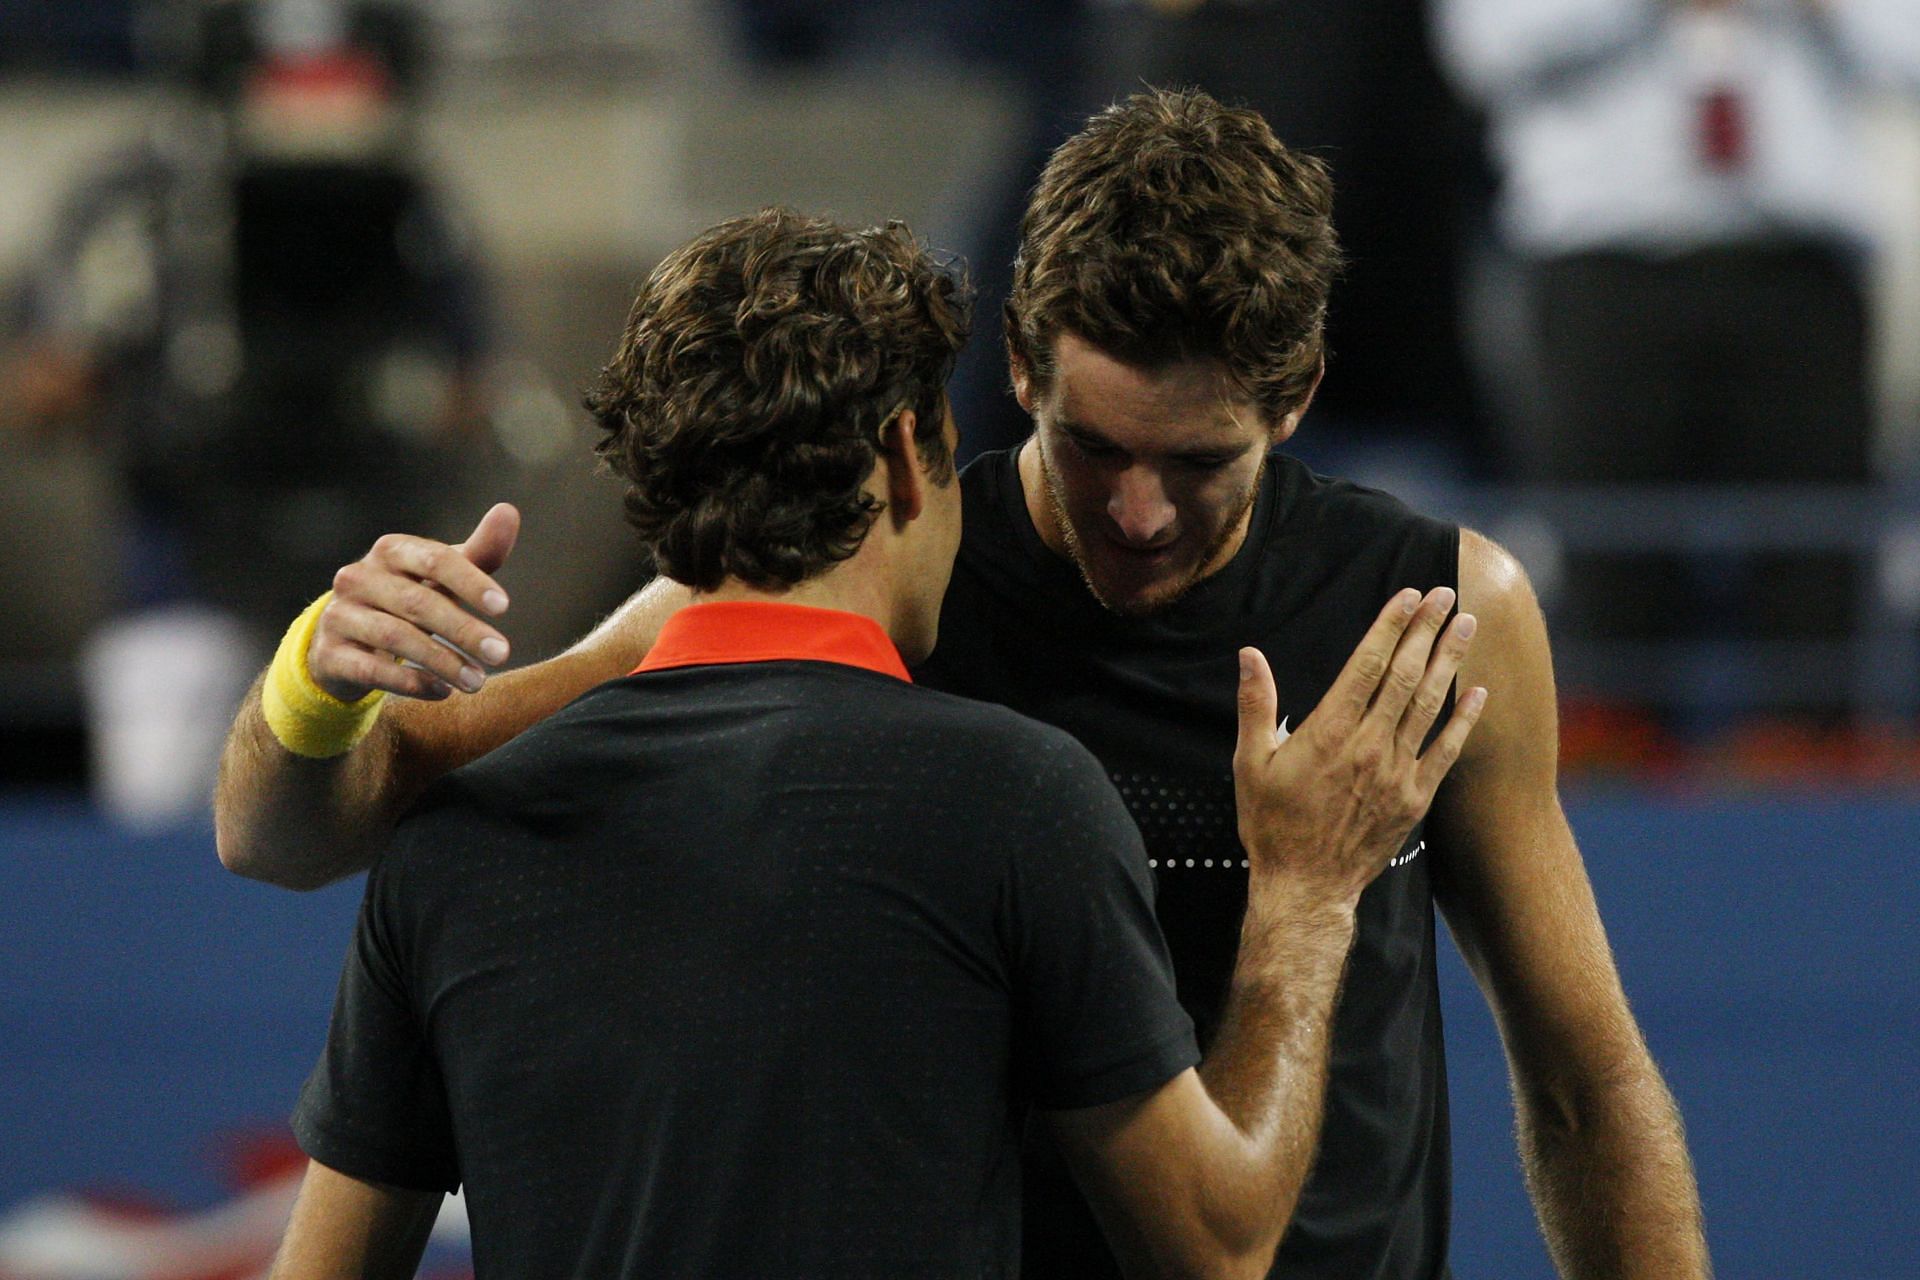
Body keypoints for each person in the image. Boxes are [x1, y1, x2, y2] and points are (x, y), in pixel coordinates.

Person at [219, 91, 1710, 1279]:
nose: (1137, 513)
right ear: (1017, 368)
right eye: (1093, 448)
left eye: (1199, 465)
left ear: (1298, 393)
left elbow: (1588, 1084)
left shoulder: (1444, 611)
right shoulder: (860, 559)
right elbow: (305, 828)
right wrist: (316, 676)